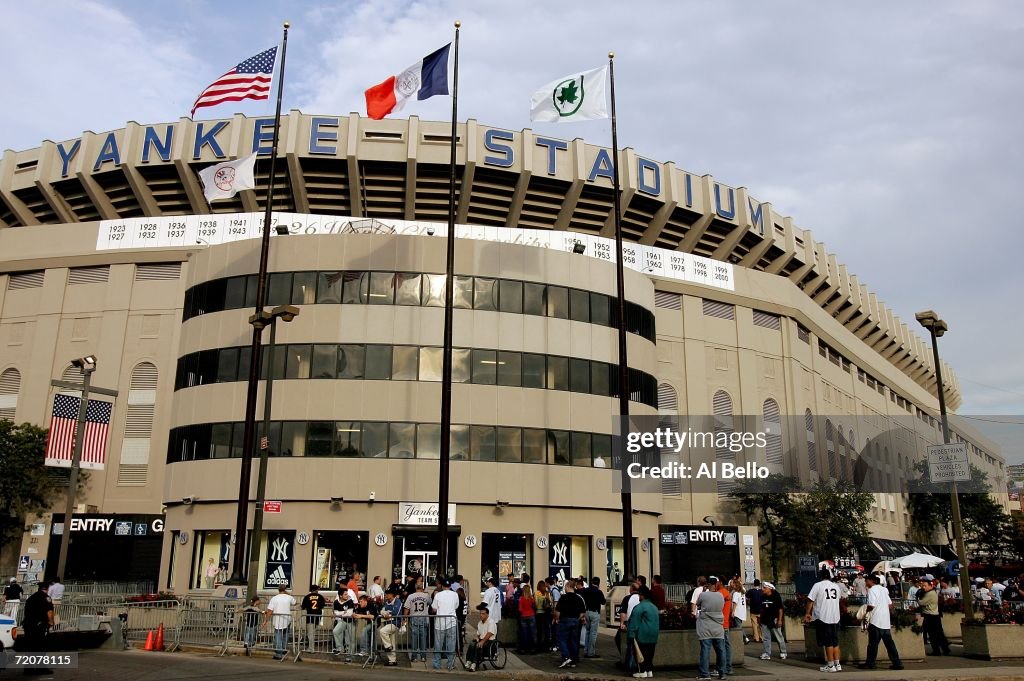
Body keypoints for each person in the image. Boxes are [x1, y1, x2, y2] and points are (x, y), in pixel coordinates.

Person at [857, 573, 904, 670]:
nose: (866, 582)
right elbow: (890, 604)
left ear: (871, 581)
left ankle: (870, 663)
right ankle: (897, 663)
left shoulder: (871, 590)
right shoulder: (884, 590)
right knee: (889, 644)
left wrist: (865, 612)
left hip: (876, 620)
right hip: (885, 621)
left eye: (867, 581)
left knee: (873, 644)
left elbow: (872, 605)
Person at [806, 569, 842, 673]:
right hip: (835, 616)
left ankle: (830, 665)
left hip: (823, 616)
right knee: (835, 642)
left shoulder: (818, 585)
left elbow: (810, 600)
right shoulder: (836, 586)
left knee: (828, 642)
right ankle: (837, 663)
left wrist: (808, 613)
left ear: (821, 576)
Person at [21, 582, 54, 676]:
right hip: (39, 626)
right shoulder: (46, 598)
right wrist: (51, 622)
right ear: (47, 588)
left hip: (28, 625)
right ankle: (41, 668)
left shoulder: (31, 598)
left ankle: (28, 669)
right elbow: (49, 611)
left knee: (30, 647)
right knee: (41, 647)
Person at [695, 579, 726, 680]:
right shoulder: (721, 595)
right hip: (718, 626)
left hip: (705, 626)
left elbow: (698, 604)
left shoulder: (703, 595)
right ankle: (722, 673)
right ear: (716, 584)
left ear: (708, 585)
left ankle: (705, 674)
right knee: (721, 650)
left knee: (705, 650)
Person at [627, 586, 659, 679]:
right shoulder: (654, 607)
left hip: (642, 634)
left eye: (639, 595)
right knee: (650, 653)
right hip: (654, 634)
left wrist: (631, 634)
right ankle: (649, 670)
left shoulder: (639, 607)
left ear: (642, 596)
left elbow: (634, 622)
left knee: (640, 653)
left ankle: (642, 671)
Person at [554, 577, 586, 669]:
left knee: (562, 640)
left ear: (568, 587)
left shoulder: (563, 598)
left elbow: (558, 611)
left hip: (565, 620)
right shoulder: (578, 598)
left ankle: (566, 656)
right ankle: (573, 661)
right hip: (575, 621)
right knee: (574, 641)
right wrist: (577, 619)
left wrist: (557, 619)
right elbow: (582, 612)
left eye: (565, 586)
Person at [431, 579, 461, 670]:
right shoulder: (455, 594)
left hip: (440, 622)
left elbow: (434, 609)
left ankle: (436, 664)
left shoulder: (438, 595)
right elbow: (456, 606)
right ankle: (450, 664)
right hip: (451, 621)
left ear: (442, 586)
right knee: (451, 644)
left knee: (438, 644)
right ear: (450, 586)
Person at [918, 575, 950, 656]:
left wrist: (918, 598)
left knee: (934, 634)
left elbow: (921, 602)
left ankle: (938, 650)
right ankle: (943, 648)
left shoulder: (930, 594)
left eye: (925, 586)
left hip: (931, 616)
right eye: (922, 586)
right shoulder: (931, 592)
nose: (923, 587)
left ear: (930, 585)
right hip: (932, 615)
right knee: (937, 634)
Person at [265, 584, 296, 660]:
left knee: (278, 636)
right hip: (287, 619)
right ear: (285, 589)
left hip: (278, 620)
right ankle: (284, 649)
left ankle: (279, 653)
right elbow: (295, 602)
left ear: (278, 590)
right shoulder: (289, 597)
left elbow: (270, 610)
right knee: (285, 635)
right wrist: (287, 593)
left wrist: (266, 620)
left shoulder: (274, 598)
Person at [403, 579, 431, 662]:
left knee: (414, 639)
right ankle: (423, 656)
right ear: (422, 587)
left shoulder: (411, 596)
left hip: (414, 618)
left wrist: (404, 618)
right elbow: (430, 603)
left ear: (415, 587)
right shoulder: (426, 596)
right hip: (423, 618)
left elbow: (406, 608)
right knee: (423, 639)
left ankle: (414, 657)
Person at [758, 582, 787, 660]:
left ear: (769, 588)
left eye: (764, 588)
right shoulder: (763, 597)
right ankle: (766, 653)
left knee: (778, 636)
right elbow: (762, 608)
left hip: (774, 619)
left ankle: (783, 652)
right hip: (765, 619)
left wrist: (780, 620)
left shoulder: (776, 596)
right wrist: (760, 618)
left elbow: (780, 609)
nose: (763, 589)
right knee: (766, 638)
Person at [465, 602, 497, 672]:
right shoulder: (480, 623)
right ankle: (469, 661)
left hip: (490, 642)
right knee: (472, 644)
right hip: (482, 639)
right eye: (480, 613)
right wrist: (477, 637)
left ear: (487, 615)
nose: (481, 615)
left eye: (483, 614)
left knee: (478, 645)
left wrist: (482, 641)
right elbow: (479, 634)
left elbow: (490, 633)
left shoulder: (491, 622)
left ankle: (474, 663)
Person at [581, 576, 606, 658]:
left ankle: (586, 650)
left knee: (587, 631)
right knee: (593, 633)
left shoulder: (586, 590)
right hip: (595, 612)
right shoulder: (598, 592)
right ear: (598, 583)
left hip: (587, 612)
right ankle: (591, 652)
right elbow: (603, 602)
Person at [332, 584, 358, 660]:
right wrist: (344, 613)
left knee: (350, 639)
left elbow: (349, 613)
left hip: (351, 621)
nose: (347, 595)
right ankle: (340, 648)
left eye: (347, 594)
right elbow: (336, 613)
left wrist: (341, 613)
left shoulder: (350, 601)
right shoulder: (336, 602)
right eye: (345, 594)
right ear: (340, 595)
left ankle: (350, 656)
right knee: (335, 631)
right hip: (343, 620)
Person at [378, 589, 403, 666]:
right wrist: (386, 613)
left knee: (382, 631)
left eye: (388, 594)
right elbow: (381, 611)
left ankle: (388, 647)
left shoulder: (398, 601)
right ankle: (392, 660)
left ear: (392, 595)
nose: (386, 595)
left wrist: (387, 613)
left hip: (395, 623)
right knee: (391, 641)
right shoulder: (386, 602)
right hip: (387, 623)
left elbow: (396, 612)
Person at [301, 584, 326, 652]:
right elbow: (323, 605)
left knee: (310, 633)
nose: (318, 590)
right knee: (313, 632)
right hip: (318, 616)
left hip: (310, 617)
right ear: (316, 589)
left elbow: (303, 606)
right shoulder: (320, 597)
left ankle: (311, 648)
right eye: (318, 589)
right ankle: (311, 647)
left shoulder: (307, 597)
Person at [517, 581, 537, 655]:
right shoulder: (531, 598)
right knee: (532, 633)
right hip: (531, 615)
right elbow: (535, 606)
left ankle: (523, 649)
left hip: (523, 616)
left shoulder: (521, 599)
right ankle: (532, 648)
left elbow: (520, 609)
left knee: (524, 633)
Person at [535, 580, 553, 654]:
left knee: (539, 631)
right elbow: (551, 603)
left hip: (538, 613)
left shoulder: (536, 593)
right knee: (546, 630)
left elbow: (535, 604)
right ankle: (546, 647)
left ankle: (539, 647)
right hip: (546, 614)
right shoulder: (547, 593)